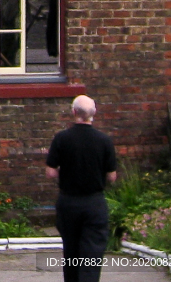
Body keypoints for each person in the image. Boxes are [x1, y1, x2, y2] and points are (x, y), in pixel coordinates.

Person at [46, 95, 117, 282]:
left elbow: (51, 172)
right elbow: (112, 176)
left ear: (74, 112)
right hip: (94, 202)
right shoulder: (104, 140)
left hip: (68, 202)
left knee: (71, 251)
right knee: (92, 253)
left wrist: (68, 174)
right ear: (93, 114)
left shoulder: (62, 138)